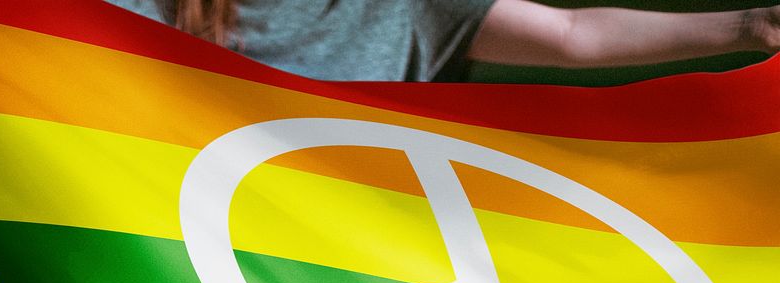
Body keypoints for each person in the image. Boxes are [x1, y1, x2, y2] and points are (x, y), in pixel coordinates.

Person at [110, 0, 779, 82]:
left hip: (338, 257)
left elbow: (574, 34)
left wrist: (754, 27)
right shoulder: (143, 8)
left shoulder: (407, 9)